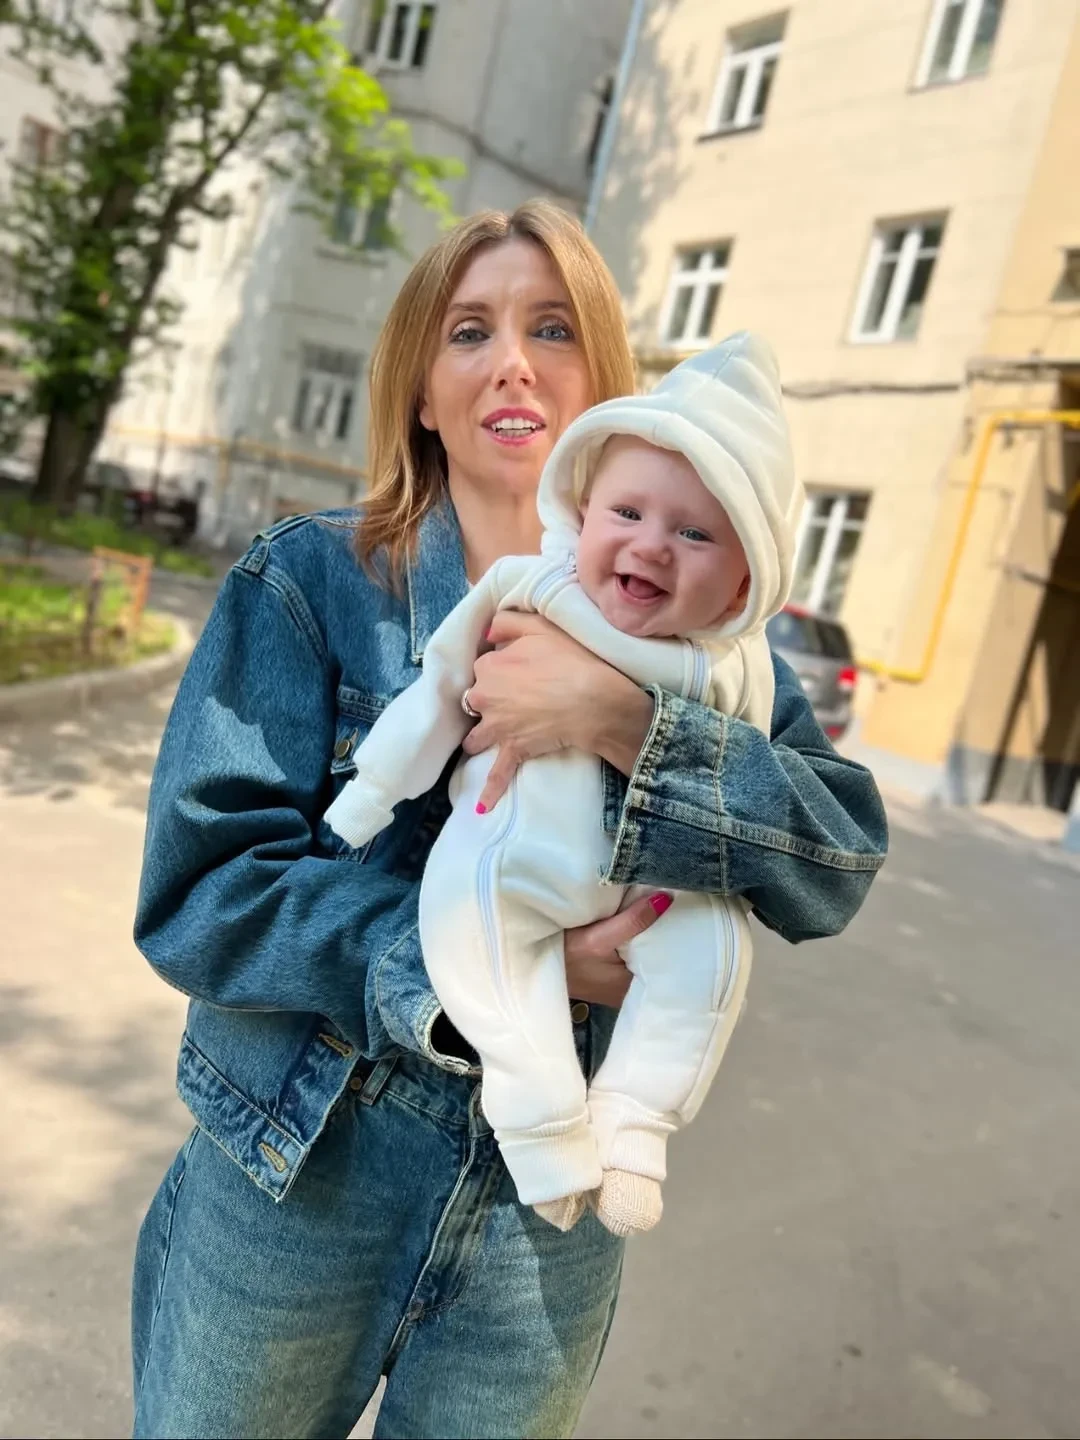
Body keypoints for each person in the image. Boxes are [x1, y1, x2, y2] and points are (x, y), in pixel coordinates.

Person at [131, 199, 888, 1440]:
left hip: (547, 1219)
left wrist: (623, 721)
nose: (513, 363)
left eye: (553, 328)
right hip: (299, 1173)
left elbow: (836, 859)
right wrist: (474, 961)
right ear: (423, 393)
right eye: (470, 331)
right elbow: (200, 897)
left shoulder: (712, 640)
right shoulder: (310, 583)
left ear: (609, 392)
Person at [324, 332, 801, 1241]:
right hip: (516, 851)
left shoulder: (739, 664)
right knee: (475, 932)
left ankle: (634, 1126)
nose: (652, 546)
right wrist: (373, 792)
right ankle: (542, 1123)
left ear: (745, 576)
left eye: (695, 533)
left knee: (715, 955)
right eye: (628, 512)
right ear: (584, 507)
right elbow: (439, 689)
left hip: (658, 890)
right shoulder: (534, 585)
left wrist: (616, 717)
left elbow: (790, 812)